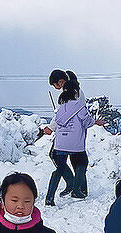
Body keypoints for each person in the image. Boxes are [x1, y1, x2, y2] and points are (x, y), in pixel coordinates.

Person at [45, 71, 104, 204]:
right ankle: (78, 189)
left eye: (55, 84)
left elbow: (58, 120)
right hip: (76, 139)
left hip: (62, 140)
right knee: (81, 163)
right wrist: (95, 122)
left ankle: (53, 195)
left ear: (61, 82)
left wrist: (51, 128)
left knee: (60, 164)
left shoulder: (62, 104)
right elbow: (86, 120)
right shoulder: (79, 102)